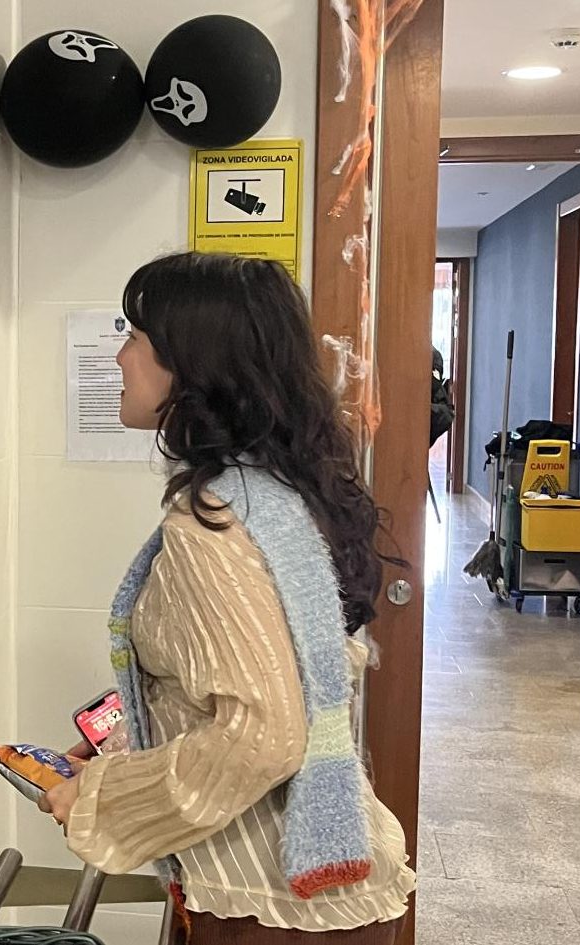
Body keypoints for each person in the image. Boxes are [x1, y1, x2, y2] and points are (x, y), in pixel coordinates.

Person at [40, 253, 414, 942]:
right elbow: (270, 678)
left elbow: (264, 735)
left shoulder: (211, 526)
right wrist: (129, 736)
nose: (118, 357)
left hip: (265, 902)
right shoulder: (278, 492)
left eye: (134, 336)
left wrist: (98, 798)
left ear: (189, 364)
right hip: (321, 886)